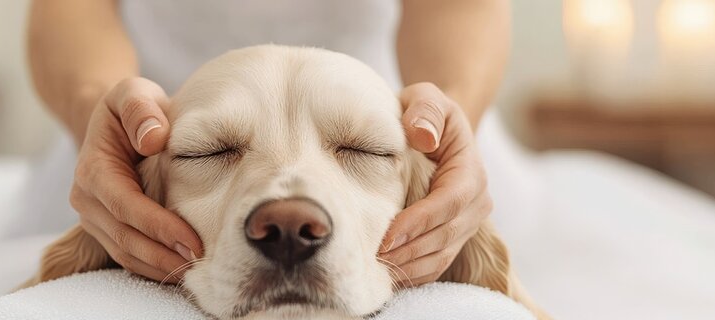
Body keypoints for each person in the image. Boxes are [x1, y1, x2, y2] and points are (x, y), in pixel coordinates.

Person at [26, 0, 509, 286]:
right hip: (145, 127)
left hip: (393, 103)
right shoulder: (145, 164)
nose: (289, 222)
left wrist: (447, 128)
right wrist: (101, 119)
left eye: (359, 149)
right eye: (213, 150)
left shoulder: (407, 157)